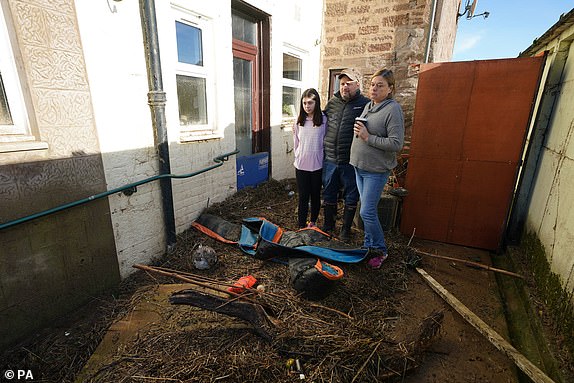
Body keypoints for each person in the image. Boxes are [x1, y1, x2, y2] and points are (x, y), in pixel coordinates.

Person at [350, 68, 404, 269]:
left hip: (375, 170)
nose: (374, 88)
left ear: (390, 89)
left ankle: (380, 250)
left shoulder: (393, 109)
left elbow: (396, 144)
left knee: (367, 212)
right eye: (373, 84)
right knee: (366, 210)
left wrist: (367, 137)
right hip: (359, 166)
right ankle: (368, 245)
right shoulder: (370, 105)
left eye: (380, 85)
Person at [322, 68, 370, 240]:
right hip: (330, 159)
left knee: (351, 195)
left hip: (351, 161)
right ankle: (328, 226)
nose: (345, 87)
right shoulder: (332, 103)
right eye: (342, 84)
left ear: (357, 84)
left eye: (349, 84)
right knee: (329, 193)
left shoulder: (365, 104)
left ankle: (345, 230)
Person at [293, 88, 327, 229]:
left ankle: (312, 222)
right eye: (304, 103)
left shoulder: (324, 120)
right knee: (303, 196)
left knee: (315, 195)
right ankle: (301, 225)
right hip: (301, 165)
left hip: (317, 165)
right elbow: (296, 143)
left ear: (316, 102)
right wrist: (299, 156)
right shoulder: (299, 122)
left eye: (310, 102)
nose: (307, 106)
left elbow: (325, 140)